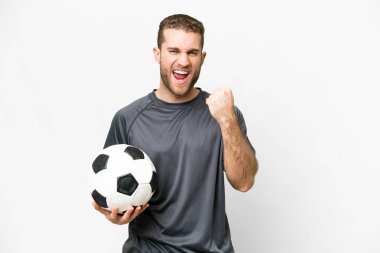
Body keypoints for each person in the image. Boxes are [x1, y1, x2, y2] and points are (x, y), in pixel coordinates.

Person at [92, 14, 258, 253]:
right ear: (157, 54)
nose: (183, 61)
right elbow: (110, 189)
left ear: (202, 58)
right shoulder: (128, 118)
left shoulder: (224, 114)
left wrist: (227, 120)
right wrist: (114, 214)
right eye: (174, 51)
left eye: (192, 52)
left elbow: (244, 182)